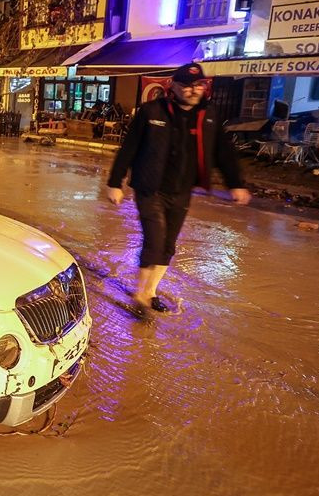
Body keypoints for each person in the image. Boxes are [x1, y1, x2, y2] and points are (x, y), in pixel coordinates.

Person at [105, 62, 251, 316]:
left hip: (182, 189)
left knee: (169, 244)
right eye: (186, 85)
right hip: (149, 187)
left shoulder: (210, 116)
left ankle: (150, 291)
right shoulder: (152, 111)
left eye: (198, 85)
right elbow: (129, 147)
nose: (192, 90)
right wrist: (115, 183)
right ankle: (140, 294)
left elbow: (224, 152)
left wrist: (235, 183)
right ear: (173, 85)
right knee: (155, 238)